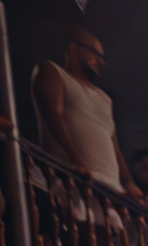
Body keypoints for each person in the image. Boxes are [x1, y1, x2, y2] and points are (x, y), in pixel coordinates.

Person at [30, 23, 128, 190]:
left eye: (103, 58)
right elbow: (53, 115)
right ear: (73, 48)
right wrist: (77, 161)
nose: (101, 62)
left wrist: (129, 182)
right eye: (96, 53)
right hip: (72, 180)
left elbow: (115, 147)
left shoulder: (105, 99)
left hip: (111, 190)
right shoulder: (53, 71)